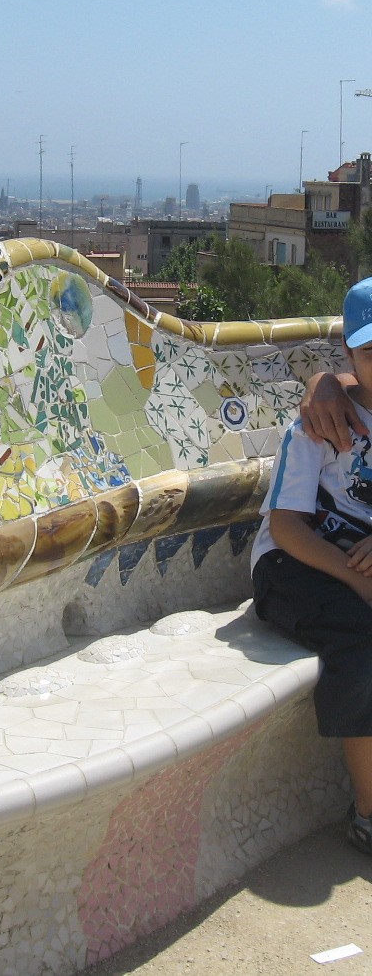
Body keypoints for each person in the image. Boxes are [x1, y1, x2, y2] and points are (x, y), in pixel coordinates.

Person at [252, 276, 372, 854]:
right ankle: (369, 812)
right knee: (361, 637)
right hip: (293, 564)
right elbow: (285, 526)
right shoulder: (318, 426)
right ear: (349, 351)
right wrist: (355, 580)